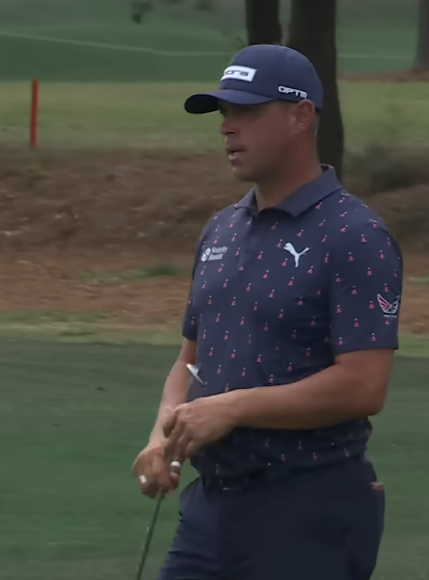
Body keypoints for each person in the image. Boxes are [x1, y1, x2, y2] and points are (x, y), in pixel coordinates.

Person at [130, 44, 403, 580]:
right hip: (211, 508)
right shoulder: (221, 229)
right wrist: (162, 436)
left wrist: (231, 408)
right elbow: (191, 360)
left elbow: (363, 385)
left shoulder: (354, 235)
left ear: (301, 116)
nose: (228, 128)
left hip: (309, 508)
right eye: (224, 113)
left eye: (247, 112)